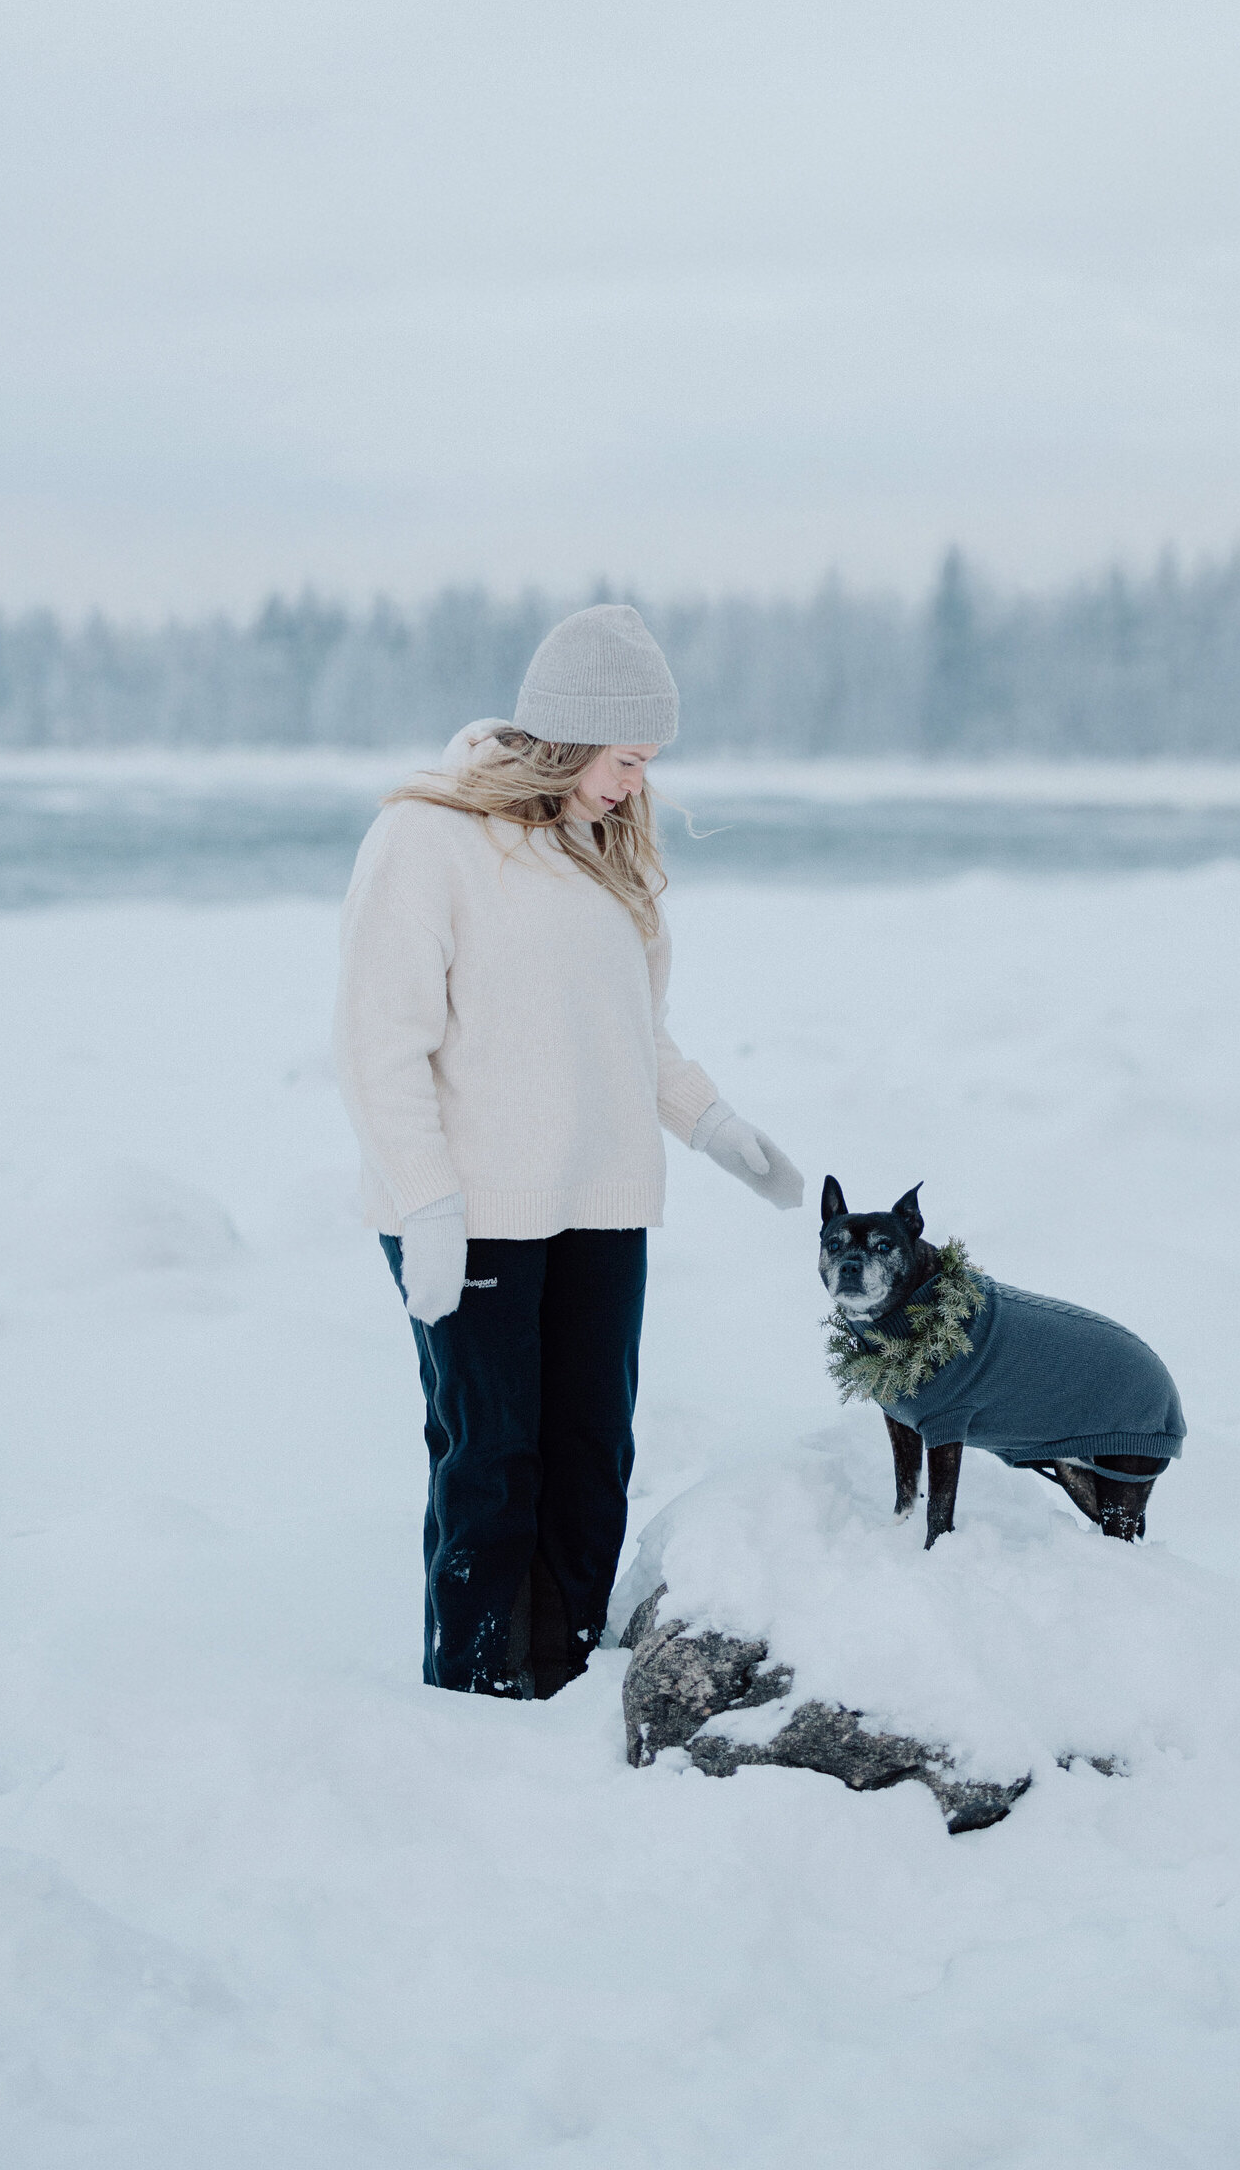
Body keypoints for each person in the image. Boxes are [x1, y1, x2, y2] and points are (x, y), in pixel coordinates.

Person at [334, 604, 803, 1698]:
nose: (635, 783)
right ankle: (479, 1692)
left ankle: (571, 1679)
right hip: (472, 1212)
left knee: (592, 1458)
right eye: (625, 758)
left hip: (599, 1205)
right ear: (568, 738)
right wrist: (427, 1207)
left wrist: (715, 1125)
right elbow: (379, 1047)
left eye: (646, 763)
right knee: (493, 1465)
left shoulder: (603, 853)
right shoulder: (426, 838)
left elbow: (634, 1036)